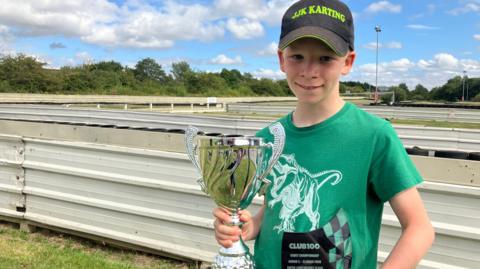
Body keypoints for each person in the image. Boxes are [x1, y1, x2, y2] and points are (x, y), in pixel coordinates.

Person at [213, 0, 435, 268]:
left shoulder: (373, 136)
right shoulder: (267, 139)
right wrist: (248, 227)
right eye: (297, 57)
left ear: (347, 62)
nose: (309, 71)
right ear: (282, 59)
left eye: (325, 58)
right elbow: (276, 205)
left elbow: (419, 228)